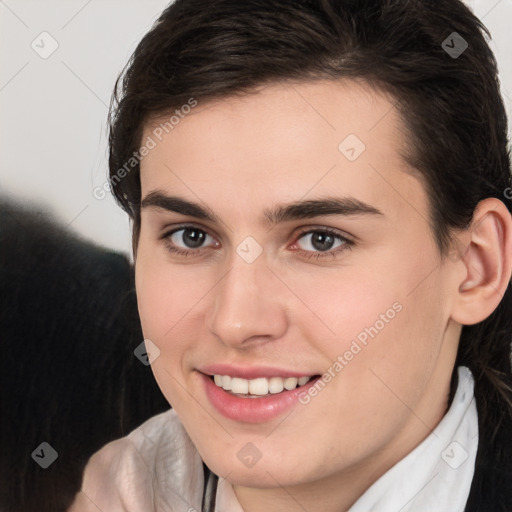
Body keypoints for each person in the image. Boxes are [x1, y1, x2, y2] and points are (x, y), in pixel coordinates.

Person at [68, 0, 512, 510]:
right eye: (191, 236)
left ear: (477, 267)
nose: (236, 321)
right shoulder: (107, 482)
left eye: (321, 239)